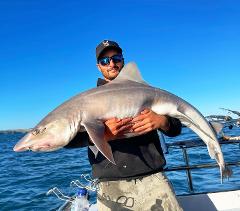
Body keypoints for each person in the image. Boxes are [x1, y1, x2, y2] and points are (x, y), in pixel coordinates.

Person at [66, 40, 183, 211]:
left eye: (116, 58)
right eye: (105, 61)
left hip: (153, 179)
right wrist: (102, 136)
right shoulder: (87, 102)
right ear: (99, 66)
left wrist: (163, 122)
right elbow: (68, 140)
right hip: (111, 185)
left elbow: (176, 128)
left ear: (123, 60)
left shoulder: (146, 92)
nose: (111, 64)